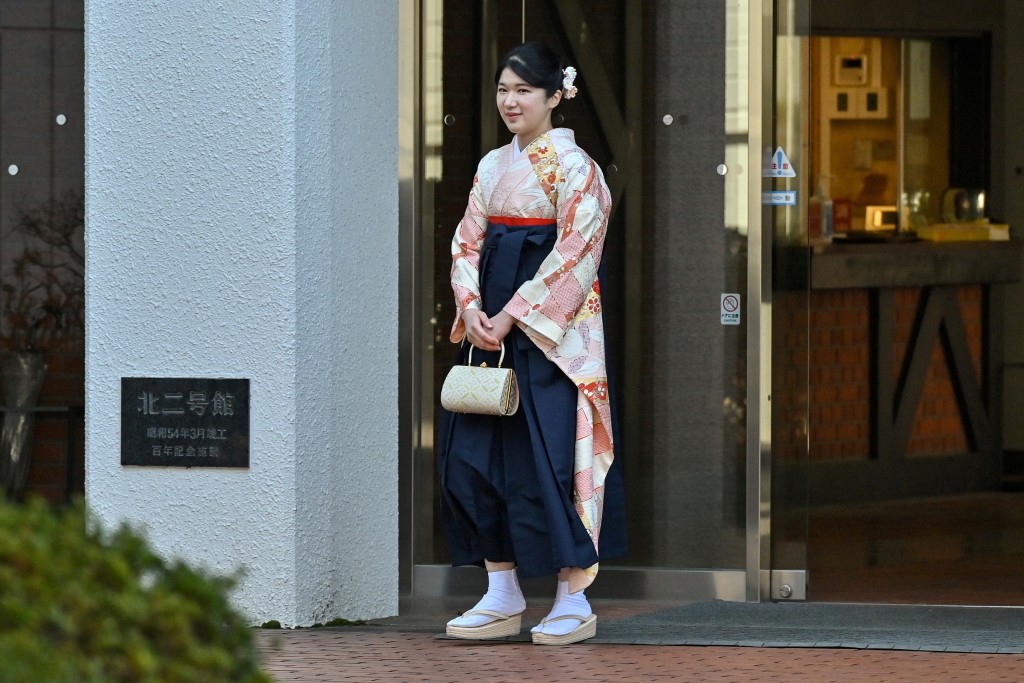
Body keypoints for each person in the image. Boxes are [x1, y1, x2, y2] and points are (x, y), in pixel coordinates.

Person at [438, 41, 626, 647]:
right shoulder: (492, 167)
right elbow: (467, 242)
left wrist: (513, 314)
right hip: (489, 331)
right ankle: (502, 589)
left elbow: (576, 253)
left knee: (548, 461)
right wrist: (472, 310)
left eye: (523, 90)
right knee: (477, 460)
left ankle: (574, 595)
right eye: (503, 90)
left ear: (554, 97)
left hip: (549, 338)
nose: (510, 101)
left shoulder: (578, 171)